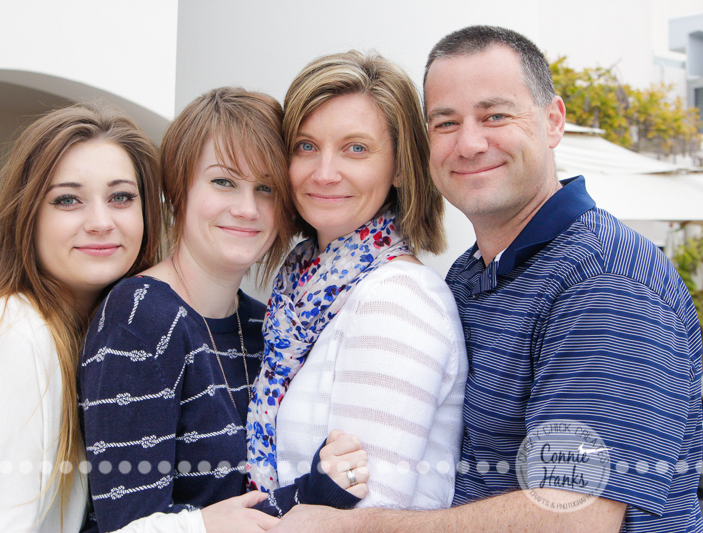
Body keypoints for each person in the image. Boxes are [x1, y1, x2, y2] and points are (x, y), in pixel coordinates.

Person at [267, 25, 703, 533]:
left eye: (495, 115)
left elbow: (572, 516)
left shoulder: (606, 279)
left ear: (553, 120)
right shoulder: (471, 274)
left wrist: (346, 526)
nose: (470, 143)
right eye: (446, 123)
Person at [79, 87, 367, 533]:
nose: (247, 209)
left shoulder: (264, 324)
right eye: (223, 182)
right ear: (179, 190)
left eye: (266, 188)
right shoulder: (139, 317)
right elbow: (129, 523)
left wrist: (318, 485)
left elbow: (237, 505)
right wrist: (315, 492)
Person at [0, 102, 163, 532]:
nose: (100, 221)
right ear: (28, 217)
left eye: (121, 197)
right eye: (68, 200)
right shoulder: (11, 333)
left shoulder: (86, 336)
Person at [246, 50, 468, 515]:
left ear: (403, 167)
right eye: (306, 146)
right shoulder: (301, 291)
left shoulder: (397, 298)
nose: (324, 173)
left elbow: (365, 515)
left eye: (356, 148)